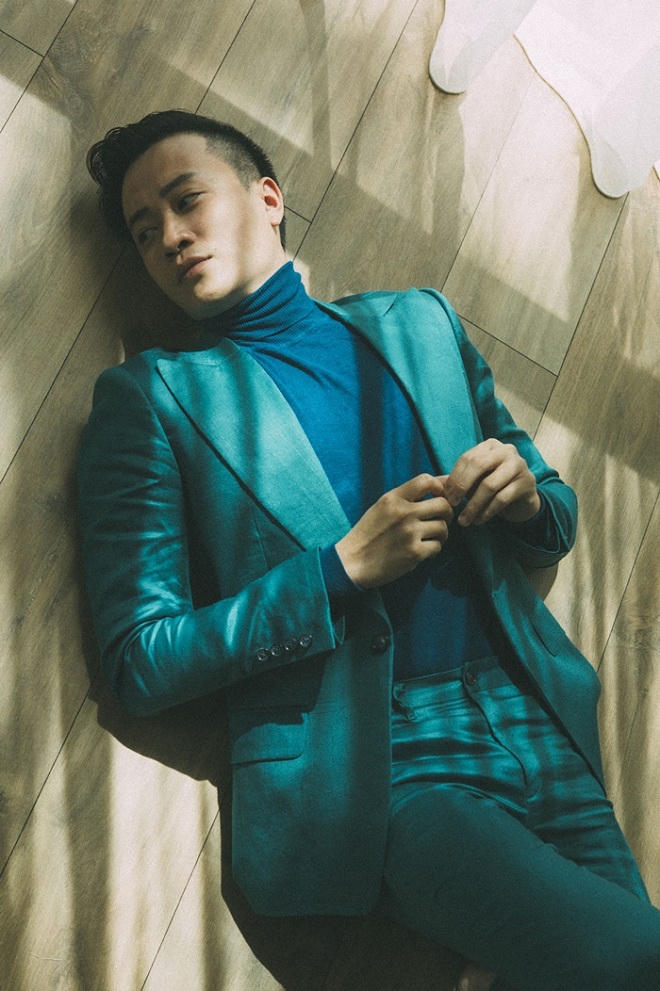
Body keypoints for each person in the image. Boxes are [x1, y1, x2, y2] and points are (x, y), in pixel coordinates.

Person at [78, 110, 660, 991]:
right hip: (381, 766)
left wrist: (527, 497)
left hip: (537, 714)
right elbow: (140, 658)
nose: (170, 238)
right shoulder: (154, 397)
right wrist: (335, 573)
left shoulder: (422, 322)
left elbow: (557, 517)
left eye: (186, 200)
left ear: (268, 198)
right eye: (144, 230)